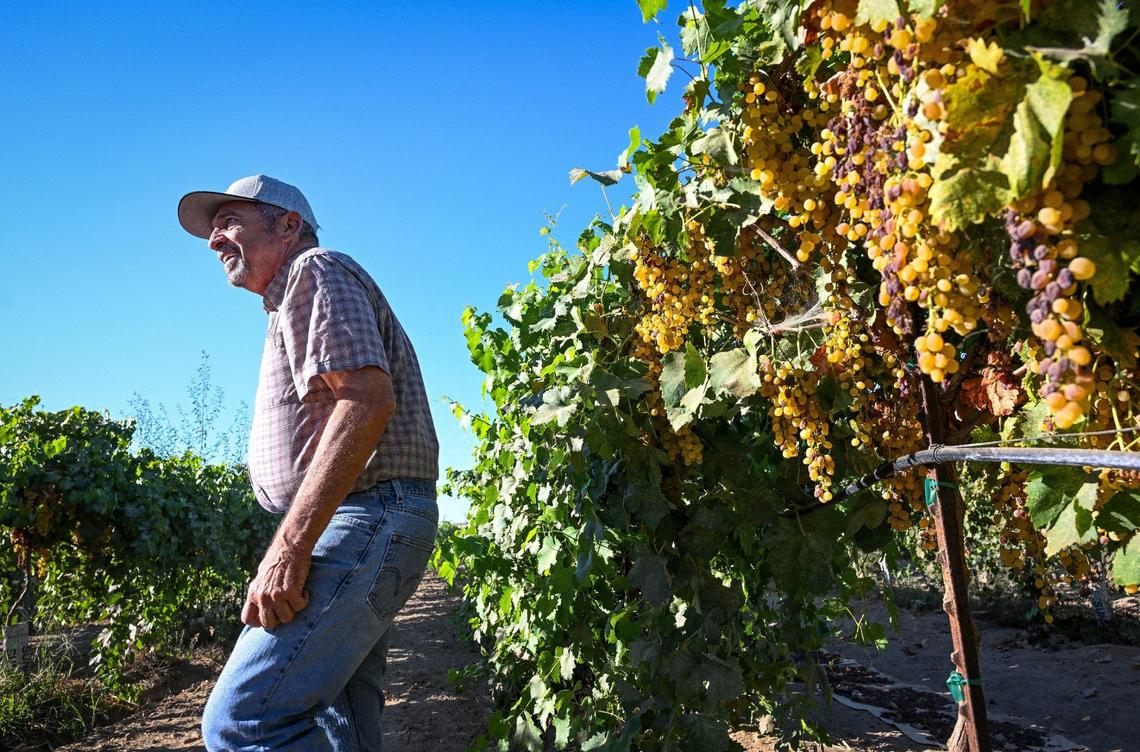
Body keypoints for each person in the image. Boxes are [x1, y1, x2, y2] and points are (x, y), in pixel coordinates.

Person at [177, 174, 440, 752]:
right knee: (339, 725)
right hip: (363, 517)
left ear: (287, 224)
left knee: (245, 722)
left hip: (364, 515)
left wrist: (289, 548)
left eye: (229, 222)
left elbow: (365, 399)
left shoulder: (314, 271)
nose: (214, 240)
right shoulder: (295, 295)